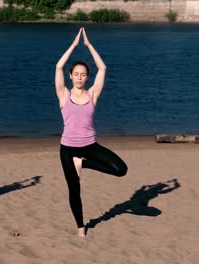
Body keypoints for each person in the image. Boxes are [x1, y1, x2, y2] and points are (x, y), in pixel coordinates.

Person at [55, 28, 128, 237]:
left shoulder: (92, 94)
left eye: (83, 75)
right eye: (76, 74)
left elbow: (103, 68)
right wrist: (73, 45)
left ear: (87, 77)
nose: (79, 77)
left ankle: (83, 163)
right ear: (71, 76)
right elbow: (58, 66)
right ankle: (80, 226)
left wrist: (88, 45)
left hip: (89, 145)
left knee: (120, 169)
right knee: (74, 189)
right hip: (67, 148)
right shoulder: (63, 94)